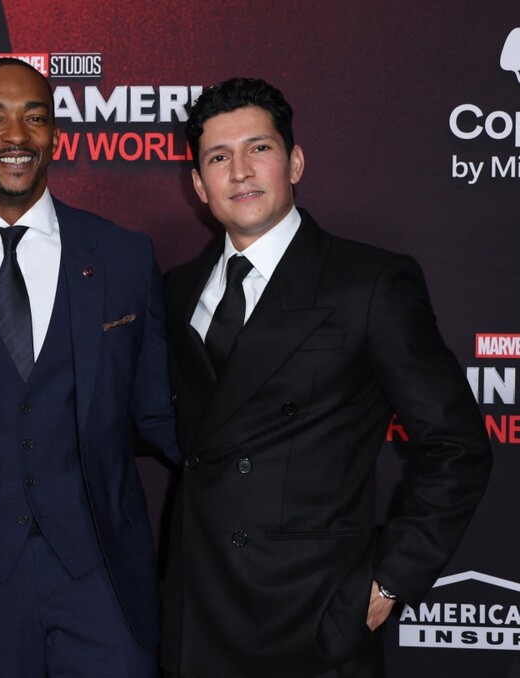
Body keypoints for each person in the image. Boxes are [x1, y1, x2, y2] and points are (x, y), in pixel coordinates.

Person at [161, 77, 492, 677]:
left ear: (295, 162)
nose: (240, 171)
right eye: (218, 157)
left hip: (312, 619)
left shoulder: (368, 283)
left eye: (258, 148)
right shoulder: (177, 289)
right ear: (197, 184)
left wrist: (388, 583)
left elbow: (458, 446)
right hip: (198, 617)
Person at [0, 57, 180, 677]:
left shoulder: (121, 254)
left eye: (35, 118)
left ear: (56, 134)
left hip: (104, 586)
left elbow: (160, 415)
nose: (17, 136)